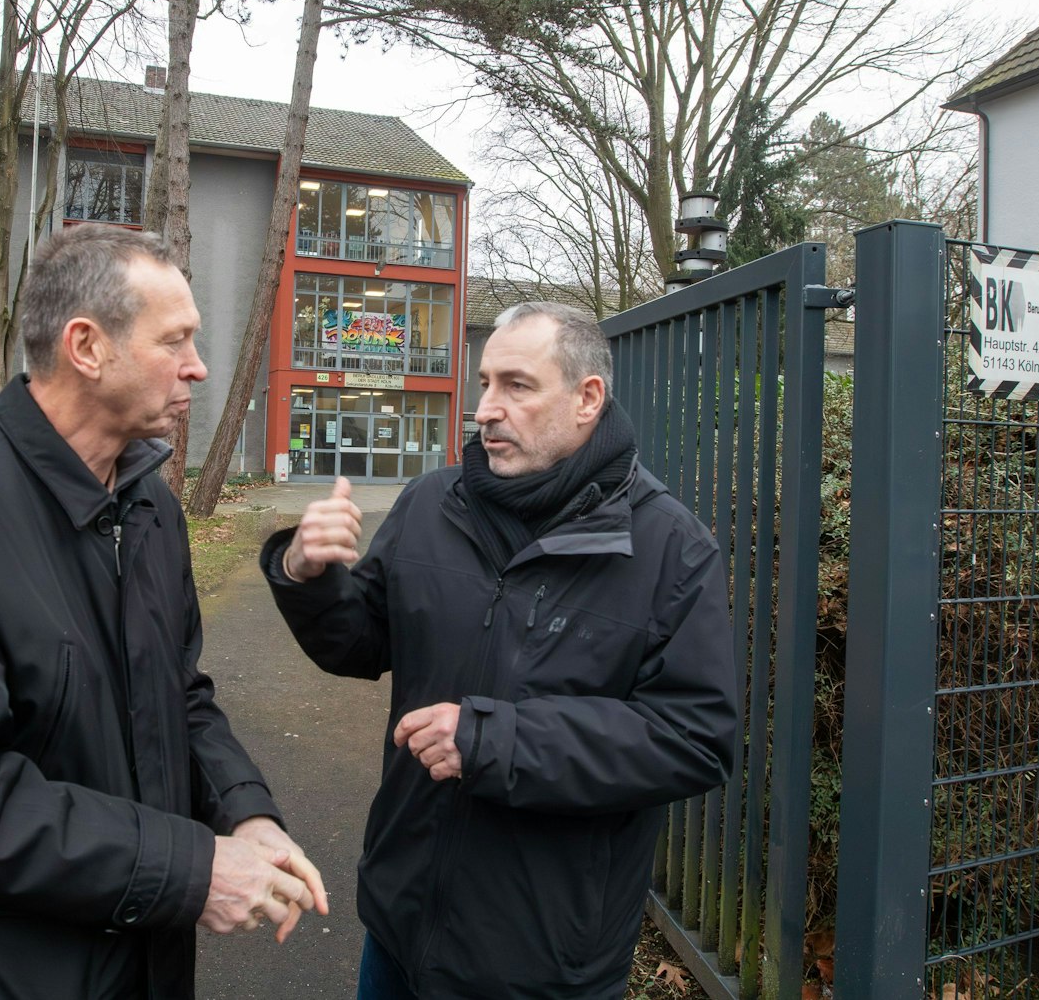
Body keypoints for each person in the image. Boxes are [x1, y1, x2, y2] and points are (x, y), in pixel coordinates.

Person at [0, 225, 327, 998]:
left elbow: (180, 696)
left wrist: (243, 811)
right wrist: (192, 869)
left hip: (140, 964)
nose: (198, 365)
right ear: (86, 347)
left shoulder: (149, 506)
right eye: (176, 340)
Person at [262, 301, 737, 1000]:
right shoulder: (431, 504)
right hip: (399, 927)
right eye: (484, 382)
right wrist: (306, 573)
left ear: (587, 398)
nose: (485, 408)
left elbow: (694, 737)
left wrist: (492, 740)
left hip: (541, 962)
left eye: (516, 385)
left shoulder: (671, 549)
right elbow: (360, 641)